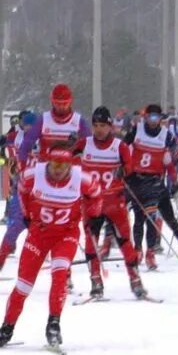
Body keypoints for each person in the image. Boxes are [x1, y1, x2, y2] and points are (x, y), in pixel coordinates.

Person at [0, 148, 89, 350]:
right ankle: (6, 329)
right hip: (38, 234)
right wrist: (27, 214)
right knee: (23, 285)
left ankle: (53, 324)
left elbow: (97, 194)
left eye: (64, 166)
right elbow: (21, 190)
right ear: (48, 163)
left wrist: (92, 213)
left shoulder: (80, 177)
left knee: (59, 274)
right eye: (55, 165)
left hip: (65, 235)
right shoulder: (33, 174)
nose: (59, 170)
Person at [76, 106, 147, 300]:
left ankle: (135, 280)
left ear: (110, 126)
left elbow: (129, 167)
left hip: (115, 201)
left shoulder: (119, 145)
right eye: (95, 125)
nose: (99, 130)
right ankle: (96, 281)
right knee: (91, 243)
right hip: (91, 203)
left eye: (103, 126)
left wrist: (124, 171)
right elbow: (64, 158)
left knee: (125, 242)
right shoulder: (85, 143)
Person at [122, 103, 178, 267]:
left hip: (156, 182)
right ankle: (142, 251)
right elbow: (122, 146)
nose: (153, 121)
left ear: (160, 119)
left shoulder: (165, 134)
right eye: (149, 117)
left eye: (156, 117)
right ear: (145, 118)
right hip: (138, 180)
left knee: (170, 219)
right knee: (142, 218)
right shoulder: (137, 130)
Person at [0, 108, 41, 279]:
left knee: (45, 231)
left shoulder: (44, 138)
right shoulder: (16, 136)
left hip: (41, 193)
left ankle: (64, 274)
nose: (28, 129)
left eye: (31, 126)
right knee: (14, 226)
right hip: (21, 190)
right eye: (25, 125)